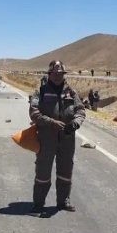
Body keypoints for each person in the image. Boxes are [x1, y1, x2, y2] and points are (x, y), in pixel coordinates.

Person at [28, 60, 86, 216]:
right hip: (47, 138)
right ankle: (38, 204)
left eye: (60, 73)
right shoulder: (41, 91)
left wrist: (75, 123)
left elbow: (81, 110)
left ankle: (63, 201)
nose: (58, 75)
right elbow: (34, 113)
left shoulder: (71, 92)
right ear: (50, 73)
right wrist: (51, 122)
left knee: (66, 170)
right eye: (55, 72)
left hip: (67, 139)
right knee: (43, 172)